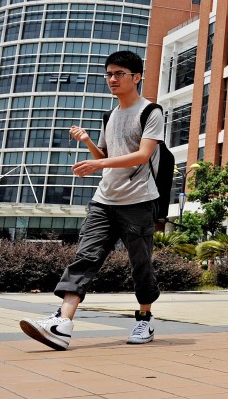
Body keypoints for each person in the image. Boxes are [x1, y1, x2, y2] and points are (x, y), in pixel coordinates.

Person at [19, 50, 164, 350]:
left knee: (140, 265)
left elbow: (142, 155)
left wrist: (97, 165)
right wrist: (87, 143)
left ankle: (145, 319)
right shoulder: (109, 116)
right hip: (104, 200)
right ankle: (62, 322)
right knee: (85, 257)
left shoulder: (151, 112)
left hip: (138, 202)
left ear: (136, 77)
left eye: (119, 74)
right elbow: (107, 157)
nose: (112, 79)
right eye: (109, 73)